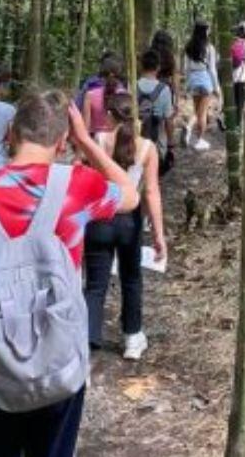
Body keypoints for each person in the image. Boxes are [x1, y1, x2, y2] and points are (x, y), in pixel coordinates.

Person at [0, 89, 140, 456]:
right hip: (60, 371)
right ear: (62, 141)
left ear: (10, 134)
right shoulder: (79, 185)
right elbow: (131, 194)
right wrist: (86, 141)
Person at [82, 92, 166, 362]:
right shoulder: (147, 148)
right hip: (130, 220)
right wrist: (158, 234)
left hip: (100, 216)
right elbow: (151, 192)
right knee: (131, 278)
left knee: (95, 284)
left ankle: (86, 344)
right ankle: (132, 336)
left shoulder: (98, 141)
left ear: (109, 115)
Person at [183, 20, 220, 149]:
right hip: (205, 80)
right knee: (202, 113)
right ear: (204, 31)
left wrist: (186, 85)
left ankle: (190, 131)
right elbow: (212, 70)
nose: (209, 31)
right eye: (208, 29)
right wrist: (216, 87)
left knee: (197, 111)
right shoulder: (209, 48)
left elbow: (186, 68)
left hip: (193, 80)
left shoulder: (188, 47)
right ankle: (197, 139)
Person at [78, 52, 126, 138]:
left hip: (94, 141)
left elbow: (85, 128)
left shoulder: (90, 94)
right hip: (117, 142)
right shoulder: (125, 95)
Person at [231, 21, 245, 117]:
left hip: (233, 76)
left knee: (234, 100)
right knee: (241, 102)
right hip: (243, 76)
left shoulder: (233, 43)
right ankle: (238, 121)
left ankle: (232, 119)